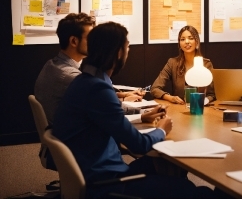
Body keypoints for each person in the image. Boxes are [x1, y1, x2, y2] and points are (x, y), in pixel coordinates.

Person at [53, 22, 217, 198]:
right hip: (108, 182)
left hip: (95, 169)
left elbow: (110, 122)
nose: (128, 51)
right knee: (197, 191)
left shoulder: (84, 82)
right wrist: (161, 129)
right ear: (118, 53)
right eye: (127, 47)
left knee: (166, 165)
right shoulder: (99, 90)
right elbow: (139, 145)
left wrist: (142, 118)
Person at [34, 13, 95, 125]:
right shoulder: (71, 76)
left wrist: (122, 96)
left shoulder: (51, 64)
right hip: (73, 137)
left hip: (57, 134)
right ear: (73, 41)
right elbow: (103, 108)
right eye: (91, 38)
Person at [151, 25, 216, 104]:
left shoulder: (206, 64)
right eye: (182, 39)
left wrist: (204, 101)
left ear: (197, 42)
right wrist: (170, 98)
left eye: (191, 38)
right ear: (179, 44)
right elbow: (154, 89)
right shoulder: (172, 63)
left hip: (199, 108)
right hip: (178, 109)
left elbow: (212, 94)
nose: (187, 41)